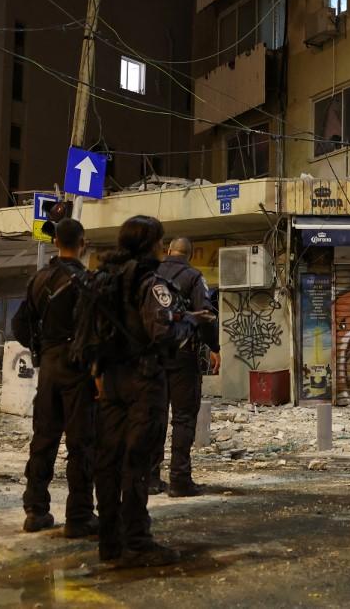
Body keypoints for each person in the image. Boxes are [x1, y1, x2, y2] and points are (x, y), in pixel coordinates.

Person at [92, 216, 208, 567]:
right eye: (158, 241)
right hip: (143, 380)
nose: (162, 248)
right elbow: (164, 333)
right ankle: (137, 541)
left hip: (110, 380)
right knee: (137, 461)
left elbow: (89, 333)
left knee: (109, 461)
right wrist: (189, 321)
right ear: (149, 244)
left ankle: (110, 541)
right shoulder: (151, 283)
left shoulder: (103, 279)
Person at [11, 219, 97, 537]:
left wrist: (41, 347)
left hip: (48, 366)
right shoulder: (87, 281)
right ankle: (79, 516)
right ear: (82, 243)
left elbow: (19, 324)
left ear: (56, 242)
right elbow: (96, 330)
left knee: (44, 439)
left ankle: (35, 510)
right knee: (81, 443)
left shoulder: (38, 279)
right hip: (78, 369)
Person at [150, 237, 221, 497]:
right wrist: (214, 347)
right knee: (183, 417)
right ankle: (180, 480)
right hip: (182, 354)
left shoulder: (150, 276)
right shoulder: (193, 277)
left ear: (168, 251)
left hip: (151, 357)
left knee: (154, 415)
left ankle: (150, 479)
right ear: (189, 255)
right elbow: (206, 315)